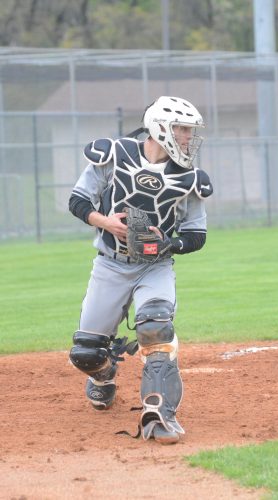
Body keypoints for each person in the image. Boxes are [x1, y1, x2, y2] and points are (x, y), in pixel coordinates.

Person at [68, 95, 213, 445]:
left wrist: (171, 244)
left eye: (189, 131)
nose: (186, 138)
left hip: (155, 268)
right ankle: (104, 375)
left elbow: (196, 234)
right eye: (181, 129)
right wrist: (106, 222)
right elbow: (78, 200)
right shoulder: (114, 154)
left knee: (156, 327)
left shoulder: (190, 178)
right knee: (86, 353)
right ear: (160, 128)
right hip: (110, 264)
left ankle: (160, 412)